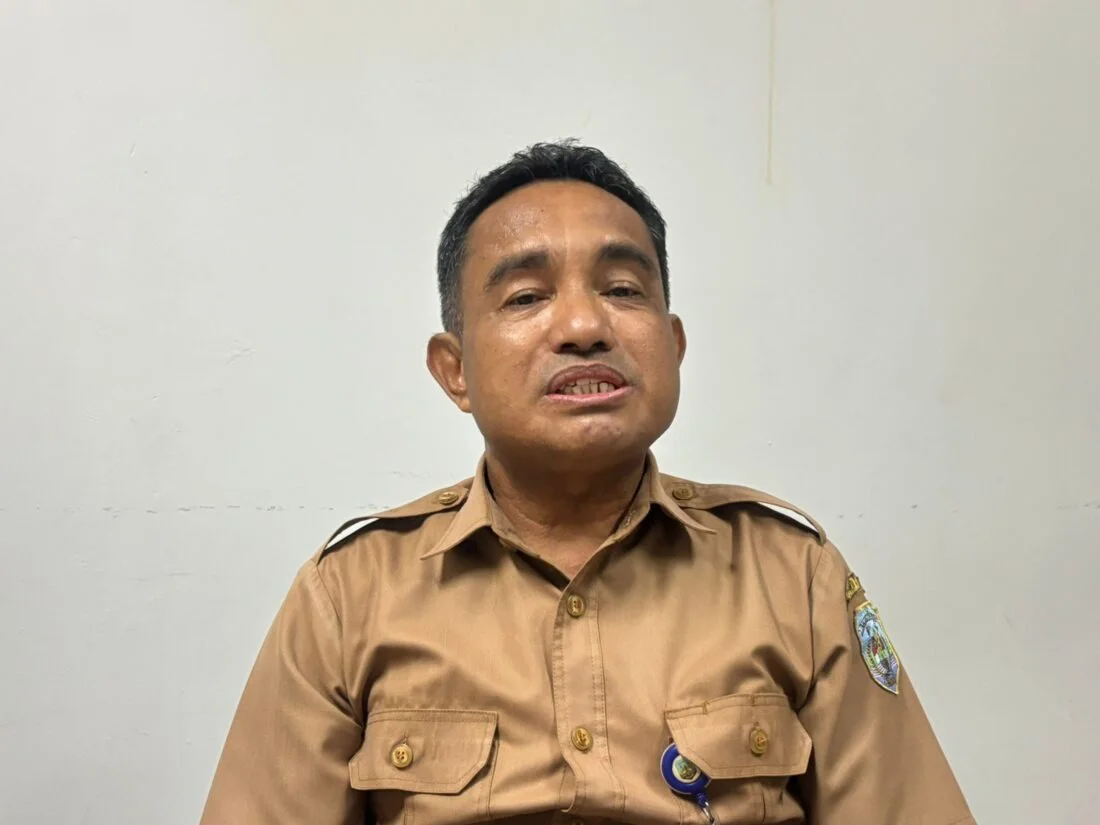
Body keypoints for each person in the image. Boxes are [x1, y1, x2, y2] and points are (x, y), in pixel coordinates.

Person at [199, 141, 975, 825]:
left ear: (672, 345)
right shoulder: (350, 596)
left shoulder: (792, 577)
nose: (584, 326)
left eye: (624, 289)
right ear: (454, 369)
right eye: (527, 297)